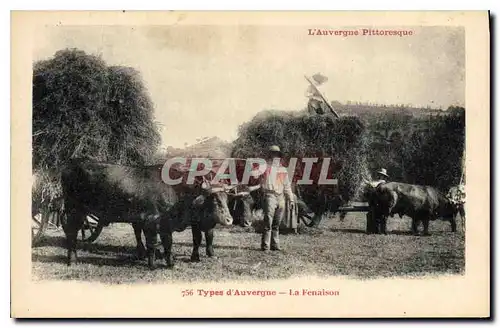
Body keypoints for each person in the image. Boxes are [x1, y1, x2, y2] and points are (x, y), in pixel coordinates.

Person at [259, 145, 294, 251]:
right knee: (268, 222)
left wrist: (291, 199)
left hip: (280, 196)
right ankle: (265, 246)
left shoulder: (283, 169)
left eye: (277, 154)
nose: (275, 156)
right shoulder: (265, 167)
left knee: (277, 223)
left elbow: (287, 185)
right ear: (270, 155)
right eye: (273, 154)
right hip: (270, 195)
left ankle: (275, 245)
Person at [364, 168, 389, 234]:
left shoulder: (382, 183)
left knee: (375, 216)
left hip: (380, 203)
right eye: (379, 174)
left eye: (381, 175)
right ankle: (374, 229)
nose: (380, 176)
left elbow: (372, 184)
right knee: (372, 215)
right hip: (376, 202)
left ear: (384, 177)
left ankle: (375, 230)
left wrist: (367, 182)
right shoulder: (379, 182)